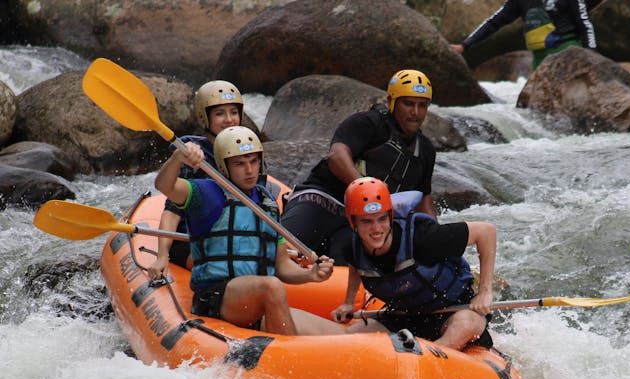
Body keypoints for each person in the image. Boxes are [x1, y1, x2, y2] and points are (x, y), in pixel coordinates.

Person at [151, 125, 345, 337]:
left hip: (256, 302)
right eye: (240, 164)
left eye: (254, 161)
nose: (250, 170)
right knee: (272, 287)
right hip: (217, 297)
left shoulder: (267, 203)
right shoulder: (207, 193)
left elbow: (282, 265)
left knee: (341, 335)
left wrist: (310, 274)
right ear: (224, 167)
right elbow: (164, 186)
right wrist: (177, 159)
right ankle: (289, 356)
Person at [280, 69, 438, 265]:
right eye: (408, 104)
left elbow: (424, 200)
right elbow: (336, 156)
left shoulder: (425, 151)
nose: (415, 112)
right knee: (283, 249)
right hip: (323, 201)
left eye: (422, 105)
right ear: (392, 102)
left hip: (358, 222)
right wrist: (365, 188)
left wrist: (435, 238)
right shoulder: (368, 123)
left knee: (348, 260)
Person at [331, 177, 496, 351]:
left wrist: (485, 292)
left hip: (453, 311)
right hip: (403, 317)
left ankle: (430, 354)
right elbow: (356, 265)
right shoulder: (351, 246)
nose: (377, 229)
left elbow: (486, 232)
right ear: (353, 222)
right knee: (350, 337)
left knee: (464, 324)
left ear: (390, 216)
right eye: (367, 221)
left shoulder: (422, 237)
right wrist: (349, 302)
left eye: (382, 219)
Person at [158, 80, 245, 270]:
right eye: (220, 113)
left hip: (231, 238)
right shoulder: (192, 155)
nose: (229, 119)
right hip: (191, 240)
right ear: (205, 118)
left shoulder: (249, 154)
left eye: (234, 112)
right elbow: (172, 210)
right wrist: (162, 255)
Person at [451, 0, 597, 70]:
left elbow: (585, 24)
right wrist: (464, 45)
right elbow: (494, 22)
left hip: (570, 55)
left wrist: (591, 57)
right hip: (540, 61)